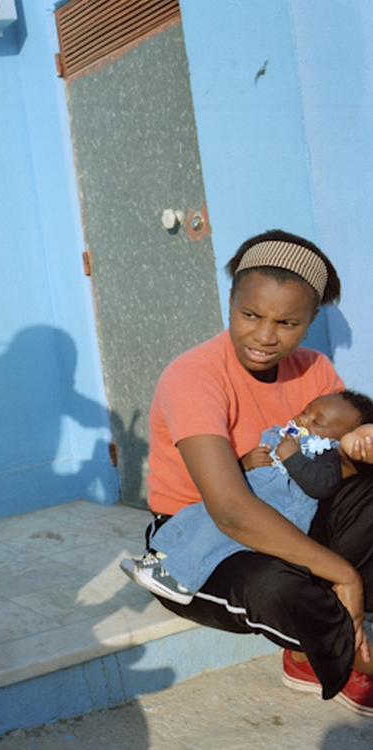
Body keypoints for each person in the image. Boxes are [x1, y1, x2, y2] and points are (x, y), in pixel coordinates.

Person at [142, 229, 373, 717]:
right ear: (230, 302)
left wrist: (362, 443)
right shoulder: (194, 375)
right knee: (274, 583)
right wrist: (345, 575)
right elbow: (229, 511)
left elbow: (339, 476)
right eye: (251, 315)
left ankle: (313, 646)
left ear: (310, 322)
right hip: (201, 536)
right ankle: (342, 654)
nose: (266, 336)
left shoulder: (315, 370)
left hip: (291, 515)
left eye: (287, 322)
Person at [123, 390, 373, 603]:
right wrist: (246, 463)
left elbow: (320, 486)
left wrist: (292, 457)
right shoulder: (285, 437)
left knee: (214, 533)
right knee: (193, 515)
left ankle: (181, 580)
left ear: (336, 440)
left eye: (317, 422)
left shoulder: (326, 456)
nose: (302, 419)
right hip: (245, 496)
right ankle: (163, 557)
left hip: (276, 512)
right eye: (305, 411)